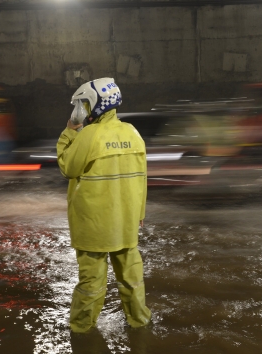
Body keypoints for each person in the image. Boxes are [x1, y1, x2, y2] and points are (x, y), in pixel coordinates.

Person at [57, 77, 151, 333]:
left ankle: (82, 331)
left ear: (96, 104)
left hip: (94, 227)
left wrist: (69, 132)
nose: (82, 110)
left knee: (91, 284)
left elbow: (68, 167)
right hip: (126, 223)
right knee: (132, 280)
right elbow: (142, 178)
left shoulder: (89, 135)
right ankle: (139, 324)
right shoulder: (133, 133)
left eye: (84, 104)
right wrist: (139, 214)